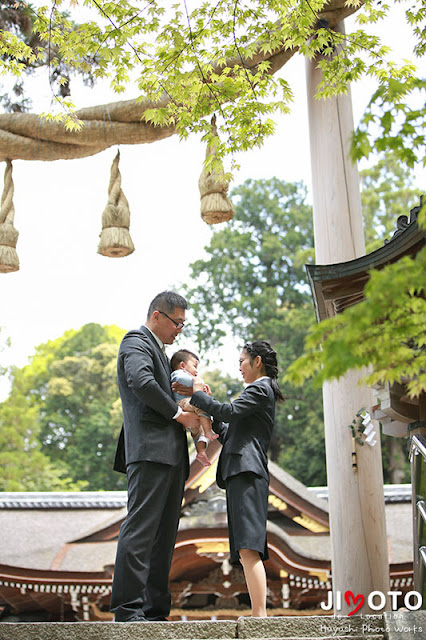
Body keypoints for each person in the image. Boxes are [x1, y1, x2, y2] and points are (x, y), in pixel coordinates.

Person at [110, 291, 201, 623]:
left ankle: (155, 610)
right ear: (158, 316)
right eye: (177, 322)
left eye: (183, 324)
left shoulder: (164, 356)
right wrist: (179, 415)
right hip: (149, 451)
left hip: (174, 456)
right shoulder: (135, 341)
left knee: (164, 536)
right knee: (141, 529)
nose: (180, 330)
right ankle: (127, 609)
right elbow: (141, 381)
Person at [190, 340, 284, 617]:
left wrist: (199, 396)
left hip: (246, 470)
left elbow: (229, 411)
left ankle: (260, 615)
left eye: (242, 361)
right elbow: (228, 428)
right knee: (246, 548)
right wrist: (207, 408)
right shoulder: (256, 391)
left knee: (249, 546)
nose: (240, 367)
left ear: (257, 361)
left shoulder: (260, 387)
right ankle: (259, 613)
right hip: (240, 471)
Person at [170, 349, 218, 467]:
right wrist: (198, 383)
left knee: (198, 431)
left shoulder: (186, 375)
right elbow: (183, 380)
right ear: (182, 365)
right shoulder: (178, 373)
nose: (196, 371)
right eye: (194, 366)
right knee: (202, 404)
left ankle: (201, 452)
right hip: (183, 403)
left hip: (190, 406)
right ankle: (208, 431)